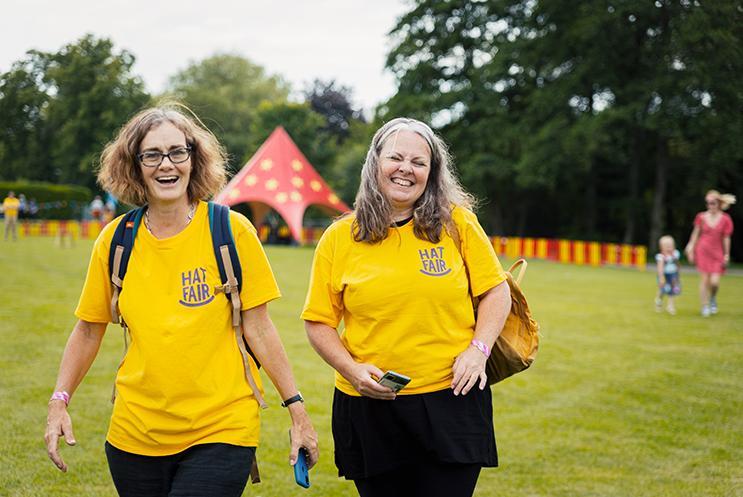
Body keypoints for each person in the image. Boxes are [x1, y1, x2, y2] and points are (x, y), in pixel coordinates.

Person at [44, 105, 319, 497]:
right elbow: (89, 329)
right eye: (152, 155)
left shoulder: (231, 230)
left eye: (177, 151)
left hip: (222, 427)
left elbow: (259, 326)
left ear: (194, 158)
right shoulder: (115, 241)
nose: (166, 164)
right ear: (134, 166)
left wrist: (297, 409)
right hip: (134, 434)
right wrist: (58, 401)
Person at [301, 117, 511, 497]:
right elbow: (318, 322)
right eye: (396, 157)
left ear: (432, 174)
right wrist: (351, 370)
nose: (406, 169)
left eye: (419, 162)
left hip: (453, 400)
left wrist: (478, 351)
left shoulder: (457, 224)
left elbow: (497, 291)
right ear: (375, 164)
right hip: (368, 407)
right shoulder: (339, 238)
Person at [684, 189, 736, 317]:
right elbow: (695, 234)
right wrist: (690, 247)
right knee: (704, 280)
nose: (710, 206)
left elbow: (726, 238)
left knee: (714, 282)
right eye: (708, 203)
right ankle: (704, 306)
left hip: (717, 252)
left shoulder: (725, 219)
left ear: (718, 203)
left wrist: (726, 254)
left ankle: (712, 298)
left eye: (712, 203)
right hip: (702, 250)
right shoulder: (701, 217)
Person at [654, 235, 681, 315]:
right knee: (663, 290)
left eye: (671, 246)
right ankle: (659, 300)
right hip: (664, 275)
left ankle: (670, 305)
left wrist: (678, 273)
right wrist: (661, 278)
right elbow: (660, 268)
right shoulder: (661, 257)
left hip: (673, 275)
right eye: (667, 247)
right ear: (661, 248)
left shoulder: (675, 254)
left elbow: (677, 264)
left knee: (672, 291)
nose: (669, 248)